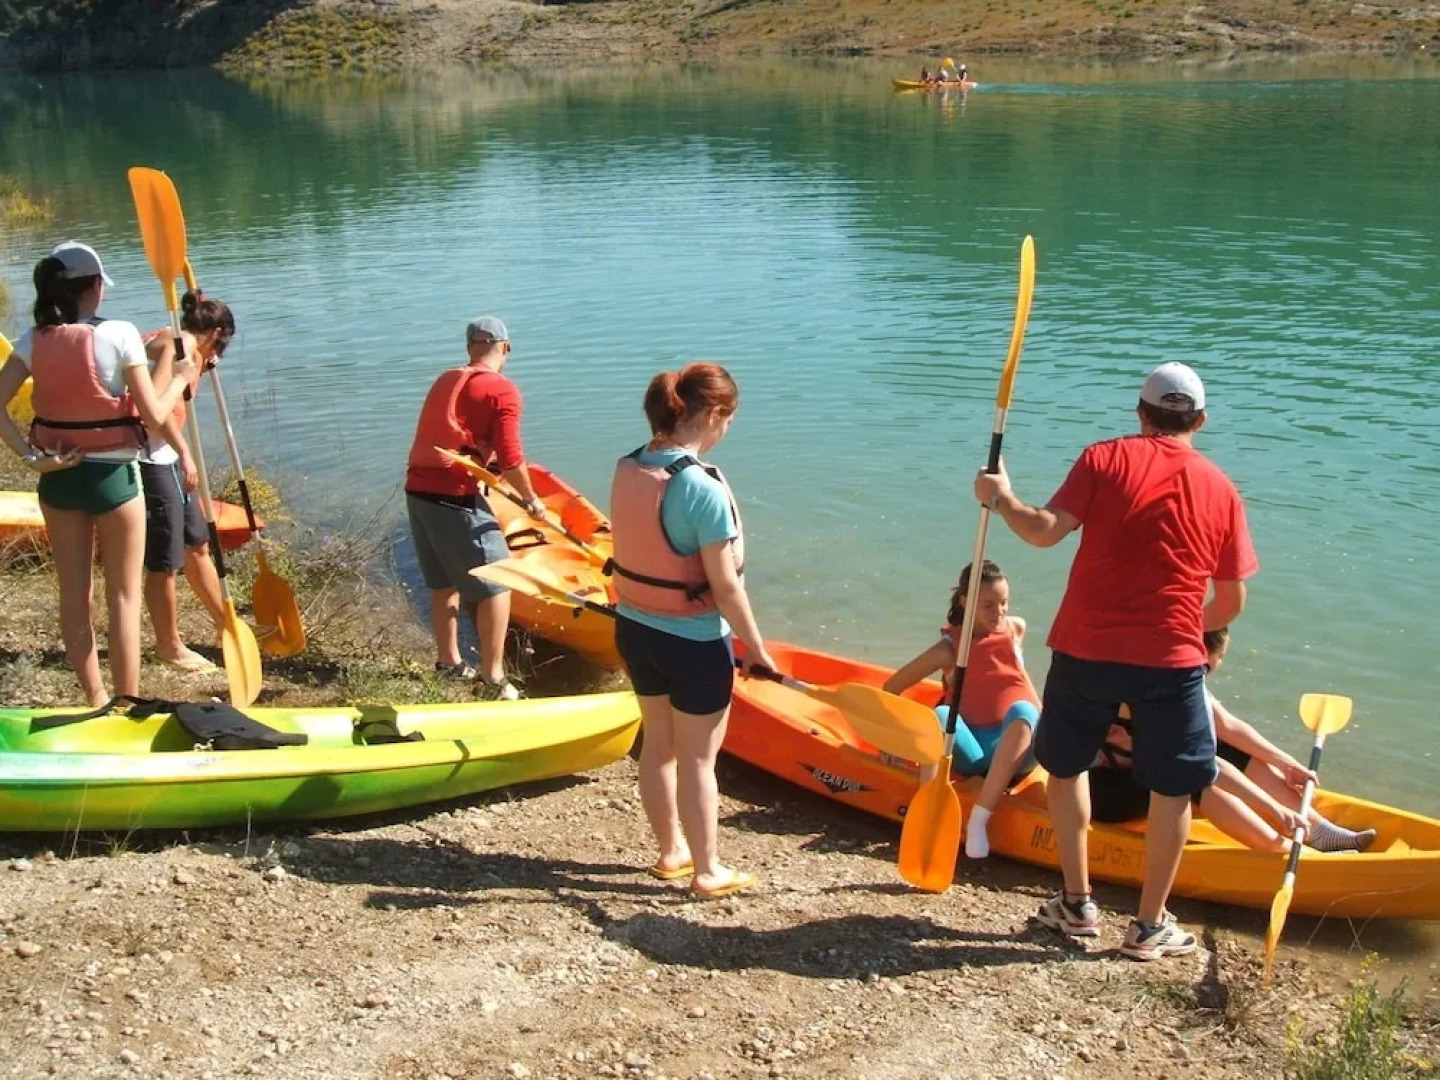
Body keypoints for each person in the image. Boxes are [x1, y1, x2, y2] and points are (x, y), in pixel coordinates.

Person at [974, 361, 1258, 962]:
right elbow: (1229, 601)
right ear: (1200, 421)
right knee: (1173, 791)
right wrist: (1177, 624)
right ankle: (1150, 927)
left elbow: (1045, 532)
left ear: (1140, 413)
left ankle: (1077, 904)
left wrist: (1001, 499)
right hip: (1172, 661)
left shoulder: (1103, 459)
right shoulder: (1224, 489)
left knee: (1067, 766)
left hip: (1085, 648)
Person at [609, 363, 777, 900]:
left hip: (634, 629)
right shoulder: (700, 487)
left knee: (658, 745)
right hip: (695, 641)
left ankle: (671, 852)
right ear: (711, 414)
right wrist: (757, 649)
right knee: (700, 757)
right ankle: (708, 871)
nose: (728, 429)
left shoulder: (629, 465)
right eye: (728, 418)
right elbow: (726, 589)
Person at [0, 242, 195, 706]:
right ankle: (125, 701)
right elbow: (152, 416)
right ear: (94, 287)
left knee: (74, 596)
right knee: (124, 596)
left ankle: (94, 696)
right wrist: (183, 375)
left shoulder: (32, 339)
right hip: (115, 482)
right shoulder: (122, 334)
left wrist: (32, 458)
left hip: (58, 480)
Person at [1091, 628, 1377, 853]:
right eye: (1220, 657)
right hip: (1103, 794)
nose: (1219, 664)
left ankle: (1319, 831)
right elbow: (1203, 763)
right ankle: (1278, 847)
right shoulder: (1158, 691)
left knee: (1224, 748)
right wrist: (1274, 811)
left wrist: (1286, 764)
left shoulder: (1177, 677)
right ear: (1203, 655)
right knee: (1192, 777)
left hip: (1136, 773)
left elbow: (1227, 726)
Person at [404, 316, 542, 699]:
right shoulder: (503, 390)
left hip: (417, 491)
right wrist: (532, 502)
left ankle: (448, 662)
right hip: (456, 497)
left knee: (443, 583)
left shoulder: (446, 380)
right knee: (498, 584)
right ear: (506, 347)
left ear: (469, 348)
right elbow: (513, 459)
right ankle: (493, 678)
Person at [882, 559, 1040, 859]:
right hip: (974, 753)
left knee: (1025, 711)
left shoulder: (1015, 628)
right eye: (989, 605)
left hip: (1020, 750)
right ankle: (929, 814)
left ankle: (979, 818)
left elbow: (1019, 675)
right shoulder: (949, 648)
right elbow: (892, 687)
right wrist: (888, 738)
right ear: (966, 602)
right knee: (941, 715)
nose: (999, 613)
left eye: (1004, 603)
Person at [138, 290, 231, 673]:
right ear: (216, 334)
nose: (218, 358)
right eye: (222, 346)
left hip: (168, 456)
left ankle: (228, 627)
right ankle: (169, 646)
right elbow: (152, 411)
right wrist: (186, 451)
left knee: (197, 544)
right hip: (149, 458)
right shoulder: (178, 347)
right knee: (164, 561)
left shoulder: (182, 342)